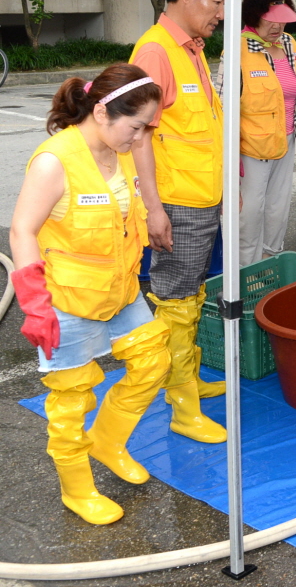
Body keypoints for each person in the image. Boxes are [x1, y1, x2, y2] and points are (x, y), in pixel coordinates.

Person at [9, 65, 169, 525]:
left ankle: (107, 440)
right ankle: (77, 488)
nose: (139, 138)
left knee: (153, 360)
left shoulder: (116, 151)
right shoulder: (54, 161)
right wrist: (35, 306)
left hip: (118, 291)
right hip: (68, 299)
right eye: (136, 126)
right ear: (101, 111)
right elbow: (22, 230)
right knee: (70, 398)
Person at [128, 0, 227, 443]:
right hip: (177, 203)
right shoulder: (155, 51)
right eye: (216, 0)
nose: (221, 12)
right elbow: (138, 136)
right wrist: (153, 210)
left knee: (193, 293)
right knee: (176, 303)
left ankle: (185, 381)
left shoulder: (190, 46)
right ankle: (183, 409)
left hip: (201, 197)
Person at [214, 0, 296, 267]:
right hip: (251, 149)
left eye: (283, 18)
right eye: (271, 18)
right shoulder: (237, 48)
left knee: (277, 210)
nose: (278, 25)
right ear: (254, 15)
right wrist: (230, 155)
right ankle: (244, 273)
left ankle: (270, 266)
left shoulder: (289, 44)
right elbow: (222, 107)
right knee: (249, 213)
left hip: (285, 141)